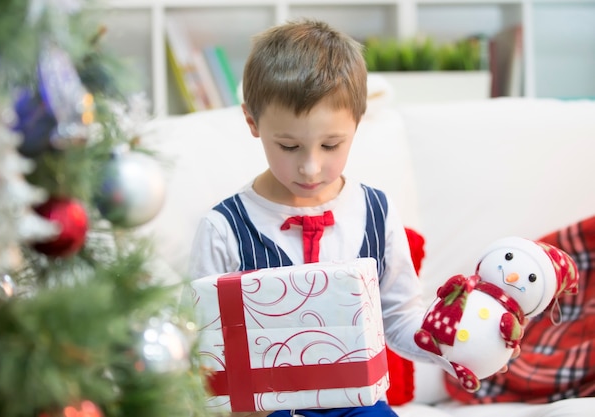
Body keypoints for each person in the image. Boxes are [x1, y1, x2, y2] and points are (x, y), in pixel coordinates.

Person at [188, 18, 511, 417]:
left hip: (356, 404)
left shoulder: (376, 212)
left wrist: (452, 342)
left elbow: (398, 317)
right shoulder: (224, 228)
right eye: (288, 145)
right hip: (263, 409)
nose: (310, 167)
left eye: (331, 144)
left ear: (357, 123)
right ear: (252, 122)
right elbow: (204, 341)